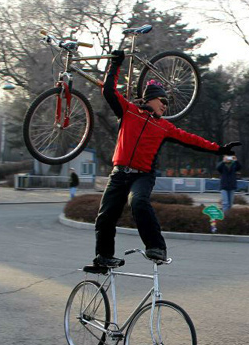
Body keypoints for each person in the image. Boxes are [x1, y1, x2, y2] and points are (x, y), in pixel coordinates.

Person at [92, 50, 241, 268]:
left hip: (142, 175)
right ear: (150, 98)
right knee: (105, 216)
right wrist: (116, 64)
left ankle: (157, 248)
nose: (165, 106)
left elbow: (191, 140)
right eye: (162, 100)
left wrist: (219, 149)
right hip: (119, 173)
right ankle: (104, 256)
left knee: (139, 202)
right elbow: (108, 91)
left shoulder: (164, 127)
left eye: (167, 103)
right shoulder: (129, 111)